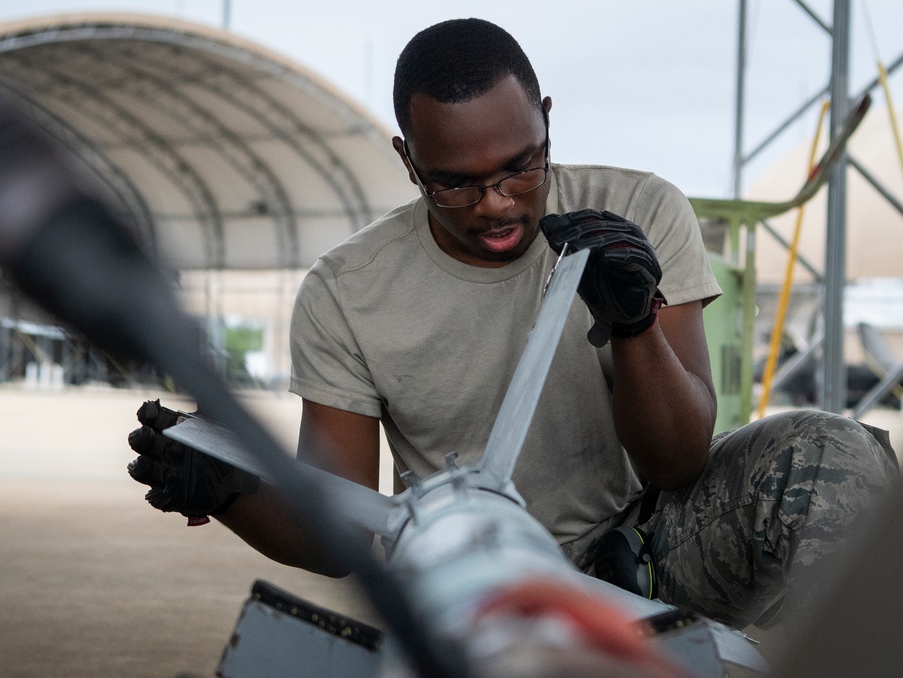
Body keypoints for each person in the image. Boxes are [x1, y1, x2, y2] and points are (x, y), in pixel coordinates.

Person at [127, 17, 899, 630]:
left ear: (548, 123)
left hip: (650, 553)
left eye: (520, 167)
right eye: (454, 184)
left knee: (829, 455)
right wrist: (232, 492)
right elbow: (342, 529)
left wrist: (634, 324)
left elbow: (680, 463)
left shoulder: (639, 214)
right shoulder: (348, 292)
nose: (496, 203)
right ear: (408, 161)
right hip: (474, 581)